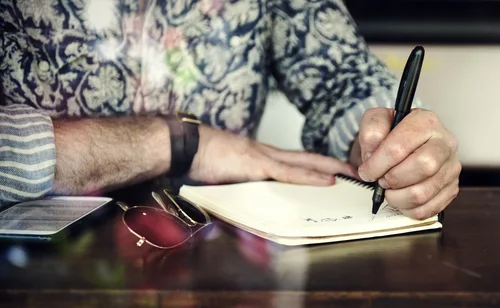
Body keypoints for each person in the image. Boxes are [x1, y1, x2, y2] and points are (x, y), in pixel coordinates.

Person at [0, 0, 460, 220]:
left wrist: (394, 139)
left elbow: (343, 75)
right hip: (33, 274)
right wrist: (179, 143)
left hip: (225, 269)